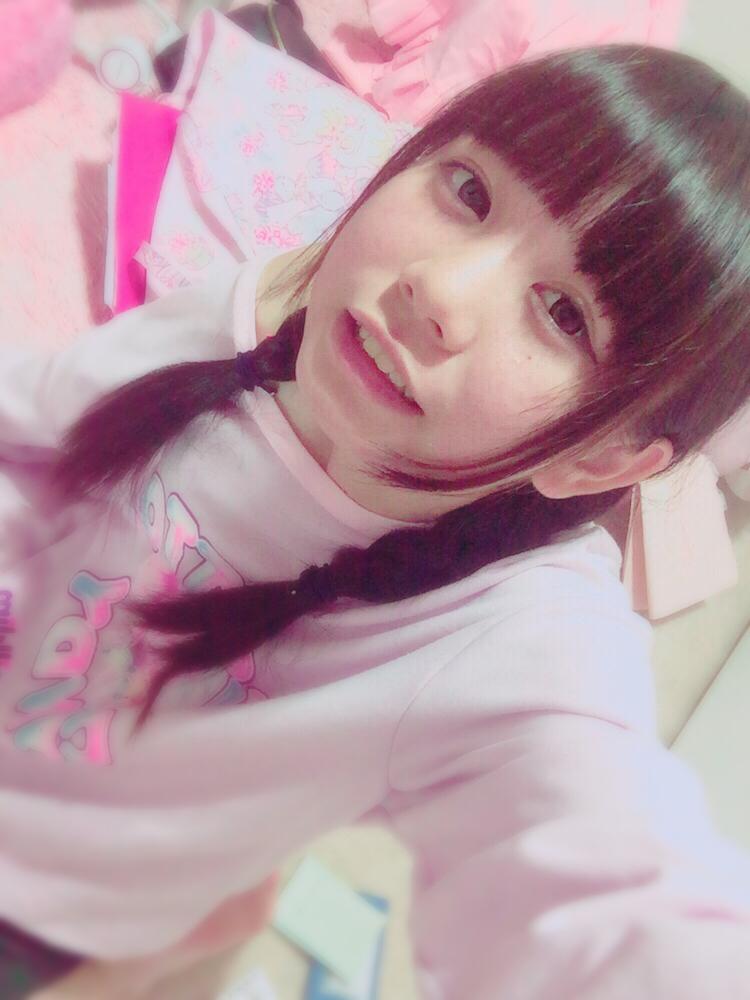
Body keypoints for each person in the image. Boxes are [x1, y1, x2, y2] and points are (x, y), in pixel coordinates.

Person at [1, 42, 750, 1000]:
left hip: (40, 903)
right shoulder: (264, 307)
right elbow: (40, 418)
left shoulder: (511, 641)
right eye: (470, 192)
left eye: (564, 315)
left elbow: (609, 896)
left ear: (602, 459)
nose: (439, 292)